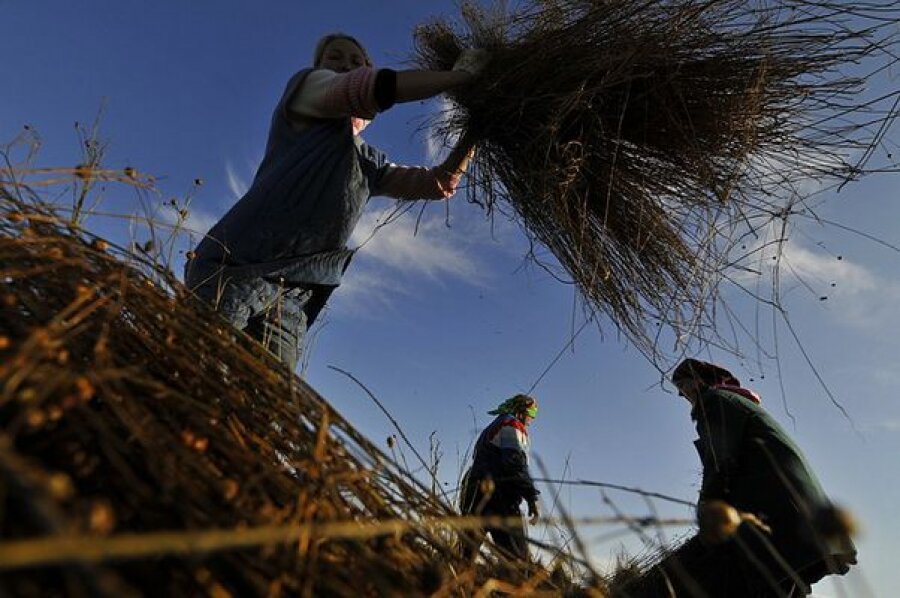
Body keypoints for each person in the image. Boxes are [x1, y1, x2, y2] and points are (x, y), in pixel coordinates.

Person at [185, 33, 485, 370]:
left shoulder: (369, 162)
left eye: (356, 62)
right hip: (236, 266)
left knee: (261, 407)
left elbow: (439, 183)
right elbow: (367, 89)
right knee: (195, 374)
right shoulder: (304, 95)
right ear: (319, 68)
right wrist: (461, 79)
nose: (345, 65)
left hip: (295, 296)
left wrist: (477, 129)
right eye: (335, 59)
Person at [629, 358, 857, 597]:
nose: (683, 395)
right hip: (794, 519)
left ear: (696, 382)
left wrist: (708, 507)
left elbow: (720, 461)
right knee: (783, 583)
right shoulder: (738, 402)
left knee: (767, 582)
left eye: (682, 387)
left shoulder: (714, 401)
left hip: (775, 518)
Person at [458, 394, 541, 561]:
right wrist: (532, 497)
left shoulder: (492, 427)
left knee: (464, 557)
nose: (532, 420)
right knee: (517, 560)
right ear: (521, 411)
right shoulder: (512, 424)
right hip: (500, 500)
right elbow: (514, 463)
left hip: (475, 498)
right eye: (532, 414)